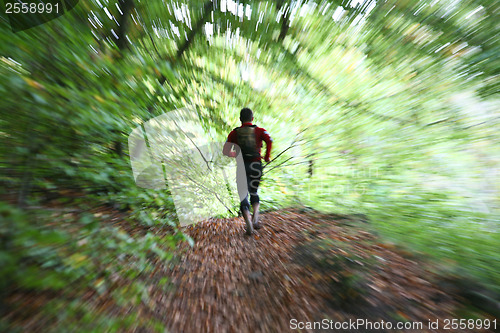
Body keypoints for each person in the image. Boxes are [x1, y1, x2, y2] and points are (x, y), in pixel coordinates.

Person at [223, 108, 272, 235]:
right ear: (252, 118)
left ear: (240, 119)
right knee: (254, 191)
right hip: (256, 165)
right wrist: (267, 156)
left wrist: (235, 154)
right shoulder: (260, 130)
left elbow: (225, 150)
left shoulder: (234, 133)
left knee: (243, 195)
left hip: (241, 166)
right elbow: (269, 140)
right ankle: (255, 217)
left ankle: (249, 225)